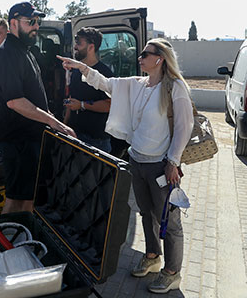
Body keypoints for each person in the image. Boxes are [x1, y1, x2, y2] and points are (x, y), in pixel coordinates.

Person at [58, 38, 193, 294]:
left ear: (159, 59)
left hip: (161, 165)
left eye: (145, 54)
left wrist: (173, 162)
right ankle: (152, 257)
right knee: (146, 213)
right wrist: (82, 67)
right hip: (137, 160)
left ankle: (172, 272)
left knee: (168, 219)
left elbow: (184, 127)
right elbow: (106, 84)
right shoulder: (138, 84)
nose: (139, 57)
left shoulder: (175, 87)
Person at [0, 2, 75, 214]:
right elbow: (15, 101)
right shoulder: (7, 54)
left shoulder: (25, 51)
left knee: (29, 199)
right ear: (13, 23)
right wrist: (54, 122)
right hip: (17, 139)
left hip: (30, 138)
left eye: (37, 21)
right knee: (15, 200)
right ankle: (9, 235)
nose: (36, 26)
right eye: (31, 21)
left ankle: (24, 233)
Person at [63, 27, 114, 152]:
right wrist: (64, 125)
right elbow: (72, 99)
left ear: (91, 47)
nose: (75, 47)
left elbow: (109, 105)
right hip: (75, 134)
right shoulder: (76, 70)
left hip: (96, 141)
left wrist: (82, 105)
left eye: (79, 43)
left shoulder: (104, 73)